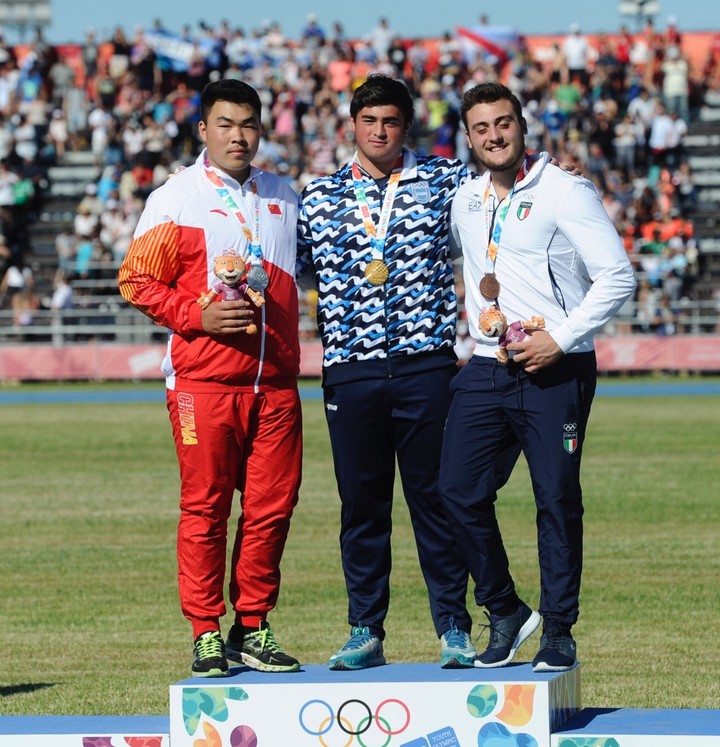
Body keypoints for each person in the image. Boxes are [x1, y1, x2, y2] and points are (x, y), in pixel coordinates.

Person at [297, 74, 501, 671]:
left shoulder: (446, 181)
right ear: (352, 127)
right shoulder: (321, 196)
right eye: (368, 122)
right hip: (351, 370)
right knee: (361, 505)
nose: (379, 132)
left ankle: (454, 628)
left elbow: (505, 195)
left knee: (436, 501)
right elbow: (285, 268)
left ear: (404, 126)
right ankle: (365, 628)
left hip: (427, 367)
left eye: (390, 122)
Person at [438, 82, 636, 673]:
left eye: (504, 123)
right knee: (455, 490)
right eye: (481, 128)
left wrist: (563, 338)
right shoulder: (464, 199)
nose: (494, 136)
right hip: (487, 366)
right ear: (468, 137)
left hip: (557, 368)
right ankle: (504, 608)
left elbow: (618, 276)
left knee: (555, 499)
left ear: (522, 125)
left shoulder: (565, 190)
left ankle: (557, 629)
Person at [118, 79, 302, 678]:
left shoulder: (284, 195)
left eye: (248, 124)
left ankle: (252, 625)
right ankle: (205, 630)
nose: (238, 135)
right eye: (225, 124)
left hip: (275, 383)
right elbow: (136, 281)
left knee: (272, 510)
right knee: (206, 508)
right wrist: (196, 314)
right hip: (203, 385)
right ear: (203, 129)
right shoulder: (176, 198)